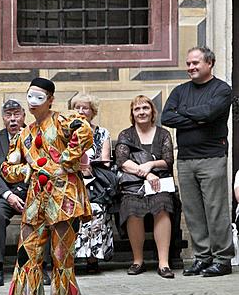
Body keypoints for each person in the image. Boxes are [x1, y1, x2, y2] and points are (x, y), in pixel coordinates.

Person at [0, 78, 93, 295]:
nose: (32, 102)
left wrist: (66, 159)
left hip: (65, 200)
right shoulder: (24, 134)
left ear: (50, 99)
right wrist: (26, 171)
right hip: (35, 203)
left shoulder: (63, 121)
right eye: (30, 96)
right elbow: (7, 168)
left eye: (39, 97)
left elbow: (85, 131)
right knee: (28, 254)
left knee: (62, 255)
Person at [162, 46, 235, 277]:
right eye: (188, 64)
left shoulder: (222, 90)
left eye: (196, 63)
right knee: (193, 211)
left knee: (216, 210)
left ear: (209, 63)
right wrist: (198, 117)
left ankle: (222, 259)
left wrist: (184, 113)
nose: (191, 67)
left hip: (212, 157)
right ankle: (202, 258)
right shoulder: (180, 90)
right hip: (184, 159)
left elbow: (210, 114)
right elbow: (166, 117)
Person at [115, 96, 176, 279]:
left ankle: (163, 263)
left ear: (152, 112)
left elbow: (168, 161)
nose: (141, 112)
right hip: (133, 184)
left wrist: (150, 165)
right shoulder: (126, 135)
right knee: (132, 207)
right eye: (137, 109)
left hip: (159, 183)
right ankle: (137, 260)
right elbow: (122, 162)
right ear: (132, 114)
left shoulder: (163, 134)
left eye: (145, 108)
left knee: (162, 205)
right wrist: (147, 173)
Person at [0, 100, 28, 287]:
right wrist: (8, 195)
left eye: (16, 114)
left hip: (30, 191)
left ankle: (41, 267)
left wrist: (20, 190)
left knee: (43, 215)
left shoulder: (33, 135)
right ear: (3, 118)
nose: (12, 119)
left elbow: (39, 166)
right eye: (8, 115)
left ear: (23, 116)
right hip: (5, 193)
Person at [70, 93, 114, 273]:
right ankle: (68, 258)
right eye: (77, 108)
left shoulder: (102, 133)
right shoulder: (66, 132)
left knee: (95, 208)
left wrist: (88, 168)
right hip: (70, 182)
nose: (81, 111)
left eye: (85, 108)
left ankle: (92, 259)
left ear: (92, 111)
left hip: (94, 183)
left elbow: (105, 162)